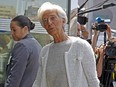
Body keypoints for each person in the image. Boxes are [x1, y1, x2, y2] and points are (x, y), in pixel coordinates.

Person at [36, 2, 99, 87]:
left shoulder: (81, 46)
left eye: (53, 18)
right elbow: (38, 82)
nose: (49, 23)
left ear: (63, 20)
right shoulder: (45, 51)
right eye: (45, 20)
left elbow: (93, 80)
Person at [5, 15, 42, 87]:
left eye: (14, 30)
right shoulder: (37, 44)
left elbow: (14, 77)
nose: (11, 33)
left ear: (25, 29)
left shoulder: (22, 46)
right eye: (11, 30)